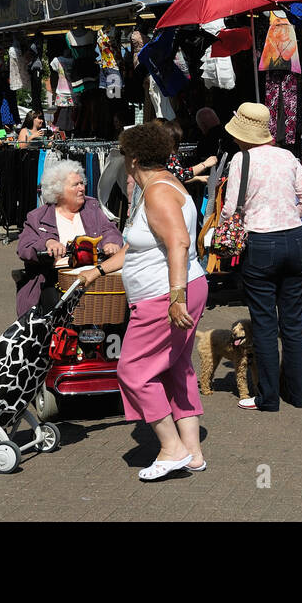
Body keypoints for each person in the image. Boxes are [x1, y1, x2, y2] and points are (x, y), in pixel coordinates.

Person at [95, 123, 208, 480]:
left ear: (135, 158)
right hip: (177, 288)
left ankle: (171, 447)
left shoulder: (157, 192)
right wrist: (96, 271)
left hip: (165, 295)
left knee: (133, 370)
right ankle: (191, 453)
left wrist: (176, 299)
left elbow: (178, 241)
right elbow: (139, 247)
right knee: (176, 368)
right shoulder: (164, 185)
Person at [218, 103, 302, 412]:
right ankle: (301, 394)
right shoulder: (287, 156)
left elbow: (231, 208)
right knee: (292, 320)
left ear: (242, 134)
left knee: (264, 323)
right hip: (296, 240)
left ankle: (268, 397)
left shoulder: (240, 160)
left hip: (261, 244)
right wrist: (288, 214)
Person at [14, 159, 124, 316]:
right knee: (55, 313)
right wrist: (48, 242)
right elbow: (24, 247)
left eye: (82, 183)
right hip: (55, 278)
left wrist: (111, 242)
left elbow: (109, 229)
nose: (82, 188)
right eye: (75, 185)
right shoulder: (38, 217)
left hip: (93, 276)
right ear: (58, 191)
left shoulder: (92, 208)